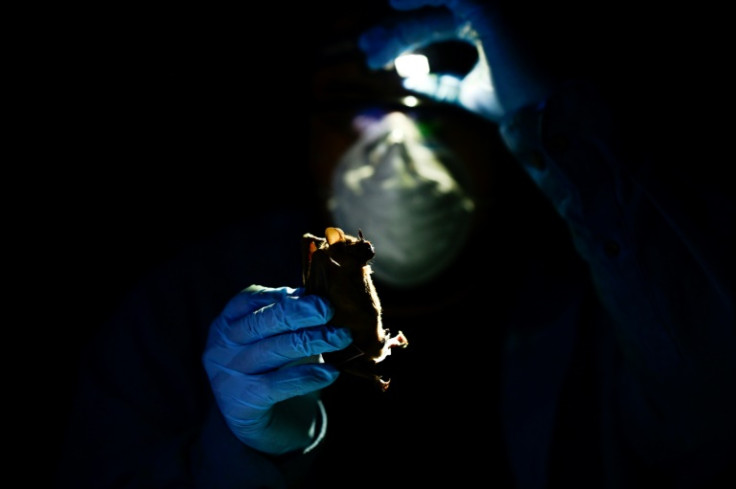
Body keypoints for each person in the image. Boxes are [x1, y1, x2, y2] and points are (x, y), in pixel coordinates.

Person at [54, 1, 735, 488]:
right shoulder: (181, 310)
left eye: (430, 103)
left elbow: (711, 403)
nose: (390, 137)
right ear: (302, 131)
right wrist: (232, 456)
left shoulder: (600, 301)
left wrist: (554, 128)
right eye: (350, 97)